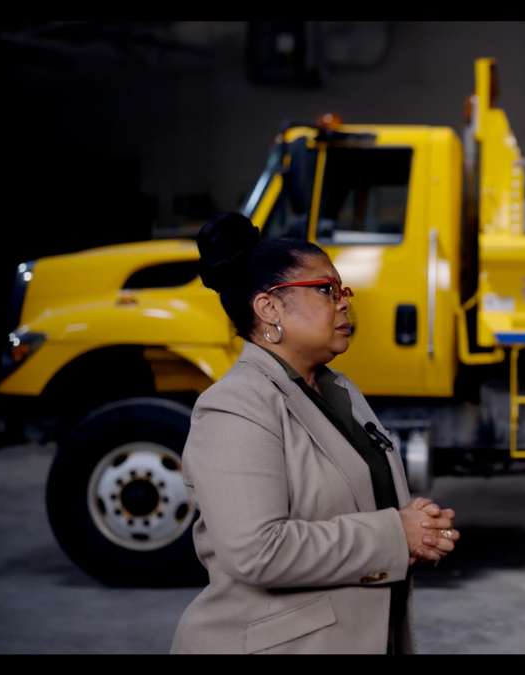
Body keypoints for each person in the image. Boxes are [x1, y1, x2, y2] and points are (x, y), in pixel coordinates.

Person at [171, 213, 460, 654]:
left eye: (343, 290)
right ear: (269, 308)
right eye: (326, 290)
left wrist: (416, 526)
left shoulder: (338, 390)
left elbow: (355, 503)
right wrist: (395, 534)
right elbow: (257, 551)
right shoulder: (235, 407)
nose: (343, 303)